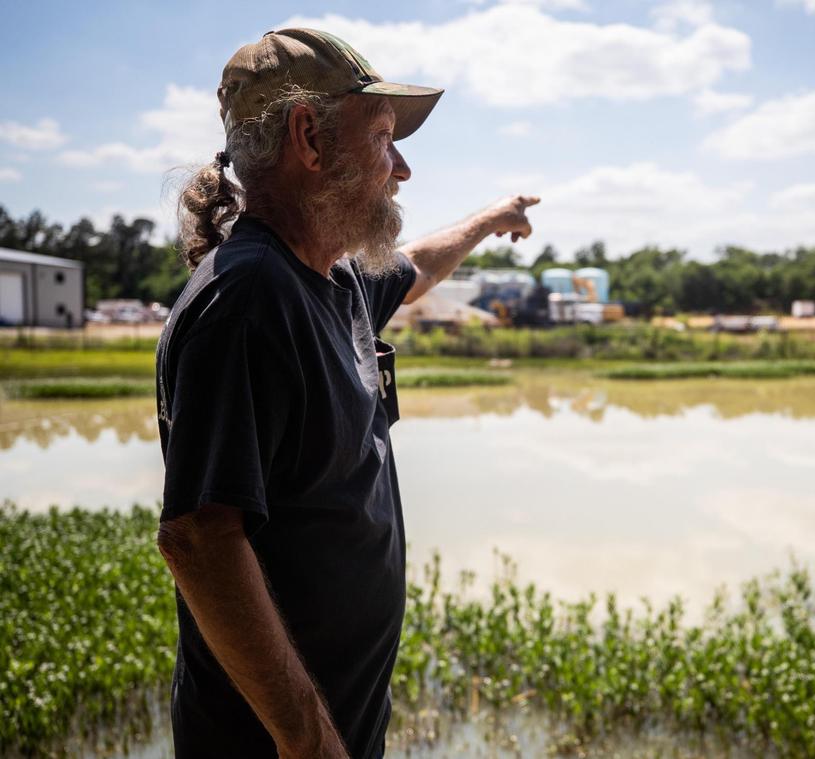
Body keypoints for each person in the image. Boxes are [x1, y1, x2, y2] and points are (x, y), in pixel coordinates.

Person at [154, 28, 539, 758]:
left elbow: (415, 266)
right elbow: (200, 539)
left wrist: (490, 220)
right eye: (385, 137)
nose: (402, 169)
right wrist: (309, 740)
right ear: (309, 137)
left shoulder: (333, 280)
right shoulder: (248, 300)